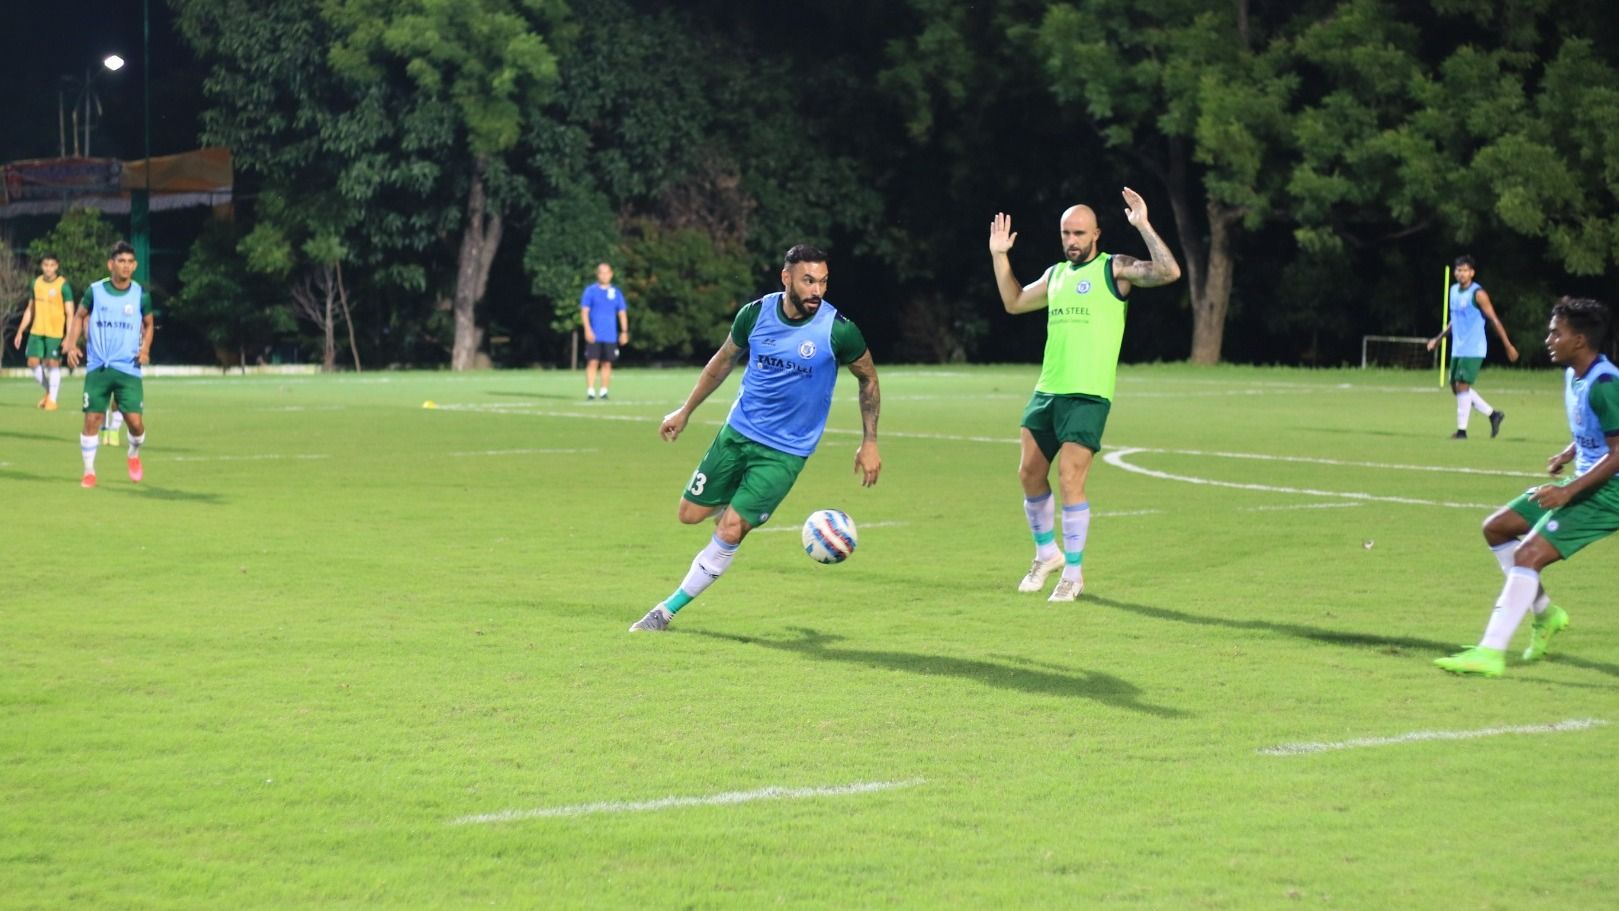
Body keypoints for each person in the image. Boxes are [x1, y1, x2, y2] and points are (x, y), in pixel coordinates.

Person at [629, 244, 881, 632]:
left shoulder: (838, 330)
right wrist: (685, 411)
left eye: (824, 282)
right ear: (787, 279)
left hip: (784, 453)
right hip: (737, 434)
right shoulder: (755, 314)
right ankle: (742, 504)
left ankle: (665, 612)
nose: (817, 290)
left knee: (729, 529)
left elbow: (868, 378)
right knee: (688, 514)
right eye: (808, 281)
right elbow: (722, 361)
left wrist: (870, 441)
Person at [989, 188, 1182, 603]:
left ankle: (1073, 574)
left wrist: (1144, 225)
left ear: (1096, 233)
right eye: (1065, 234)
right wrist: (999, 255)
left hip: (1088, 394)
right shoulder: (1056, 275)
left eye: (1079, 233)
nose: (1072, 241)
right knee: (1029, 474)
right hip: (1048, 391)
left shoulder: (1115, 270)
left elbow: (1168, 273)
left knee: (1070, 478)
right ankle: (1047, 555)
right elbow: (1014, 301)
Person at [1436, 297, 1618, 677]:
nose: (1548, 338)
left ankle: (1490, 652)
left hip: (1608, 493)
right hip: (1587, 481)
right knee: (1497, 527)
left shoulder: (1604, 384)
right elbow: (1599, 430)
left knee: (1527, 556)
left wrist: (1568, 491)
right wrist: (1569, 453)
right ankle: (1546, 614)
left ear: (1580, 340)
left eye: (1556, 333)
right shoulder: (1576, 374)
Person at [62, 242, 153, 489]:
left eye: (129, 262)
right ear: (110, 264)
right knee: (92, 419)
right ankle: (89, 471)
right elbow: (80, 316)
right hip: (98, 366)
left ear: (134, 266)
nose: (125, 266)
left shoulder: (140, 295)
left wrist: (145, 349)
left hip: (128, 368)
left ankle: (133, 454)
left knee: (135, 423)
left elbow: (149, 323)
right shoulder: (95, 291)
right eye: (120, 261)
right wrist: (71, 345)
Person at [1425, 255, 1518, 439]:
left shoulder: (1478, 294)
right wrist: (1438, 339)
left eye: (1465, 270)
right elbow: (1455, 320)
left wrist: (1508, 345)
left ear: (1472, 273)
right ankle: (1493, 414)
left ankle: (1462, 431)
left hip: (1474, 348)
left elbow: (1493, 319)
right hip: (1458, 348)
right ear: (1455, 272)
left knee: (1462, 386)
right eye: (1459, 270)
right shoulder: (1453, 291)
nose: (1461, 274)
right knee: (1456, 387)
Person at [12, 253, 75, 410]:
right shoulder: (36, 283)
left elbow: (70, 313)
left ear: (57, 266)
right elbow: (30, 309)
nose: (48, 268)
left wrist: (69, 336)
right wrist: (20, 331)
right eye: (45, 265)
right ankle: (49, 392)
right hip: (37, 330)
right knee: (32, 362)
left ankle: (52, 400)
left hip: (55, 332)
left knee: (52, 363)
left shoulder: (63, 285)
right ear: (42, 266)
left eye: (52, 265)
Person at [579, 262, 628, 400]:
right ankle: (590, 391)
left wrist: (624, 331)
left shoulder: (616, 292)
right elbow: (584, 312)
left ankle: (604, 391)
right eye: (601, 272)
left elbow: (622, 312)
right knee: (592, 361)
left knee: (607, 363)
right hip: (595, 334)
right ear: (597, 274)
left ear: (611, 274)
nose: (604, 275)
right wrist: (587, 329)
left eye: (607, 272)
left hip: (610, 335)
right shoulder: (590, 291)